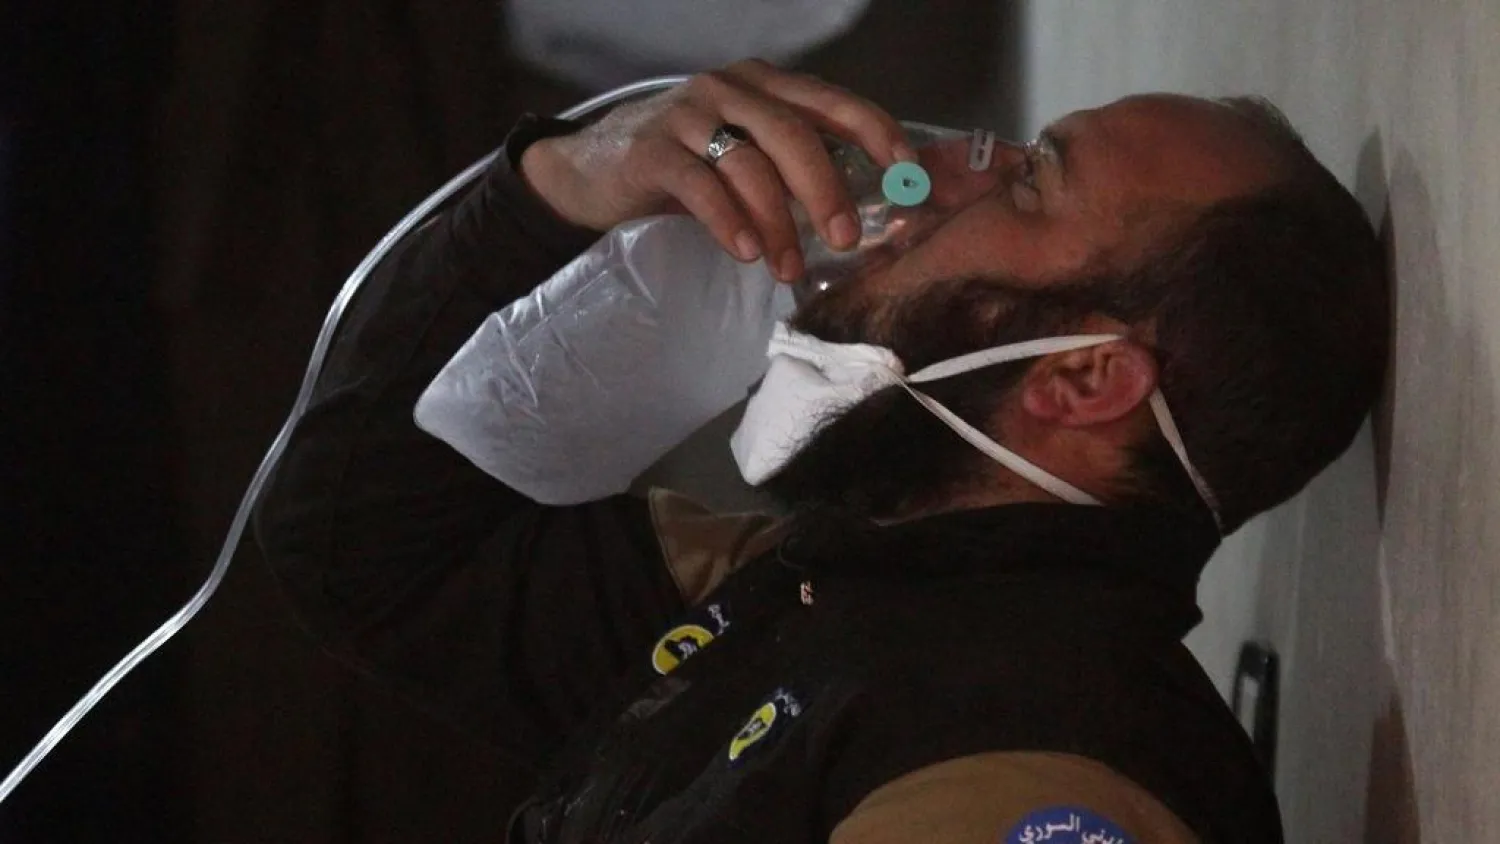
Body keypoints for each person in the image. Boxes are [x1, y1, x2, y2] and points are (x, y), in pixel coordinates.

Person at [254, 59, 1387, 844]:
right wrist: (559, 188)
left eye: (1032, 179)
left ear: (1082, 376)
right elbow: (359, 542)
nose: (940, 174)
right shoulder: (816, 589)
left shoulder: (1042, 752)